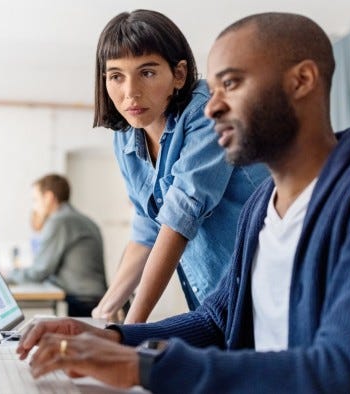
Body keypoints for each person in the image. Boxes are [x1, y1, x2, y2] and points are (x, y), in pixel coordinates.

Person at [16, 12, 350, 392]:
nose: (211, 108)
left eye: (231, 83)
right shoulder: (261, 205)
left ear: (301, 81)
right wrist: (111, 337)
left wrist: (142, 365)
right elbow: (214, 322)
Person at [91, 9, 268, 323]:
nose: (130, 91)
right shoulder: (126, 137)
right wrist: (105, 311)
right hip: (217, 303)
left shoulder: (209, 112)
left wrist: (130, 328)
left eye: (147, 72)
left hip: (266, 290)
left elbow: (180, 216)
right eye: (116, 76)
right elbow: (148, 227)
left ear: (179, 75)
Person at [6, 174, 107, 317]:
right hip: (94, 298)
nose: (34, 206)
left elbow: (39, 271)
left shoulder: (60, 221)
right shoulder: (80, 218)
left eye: (35, 200)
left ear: (48, 197)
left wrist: (8, 275)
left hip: (81, 301)